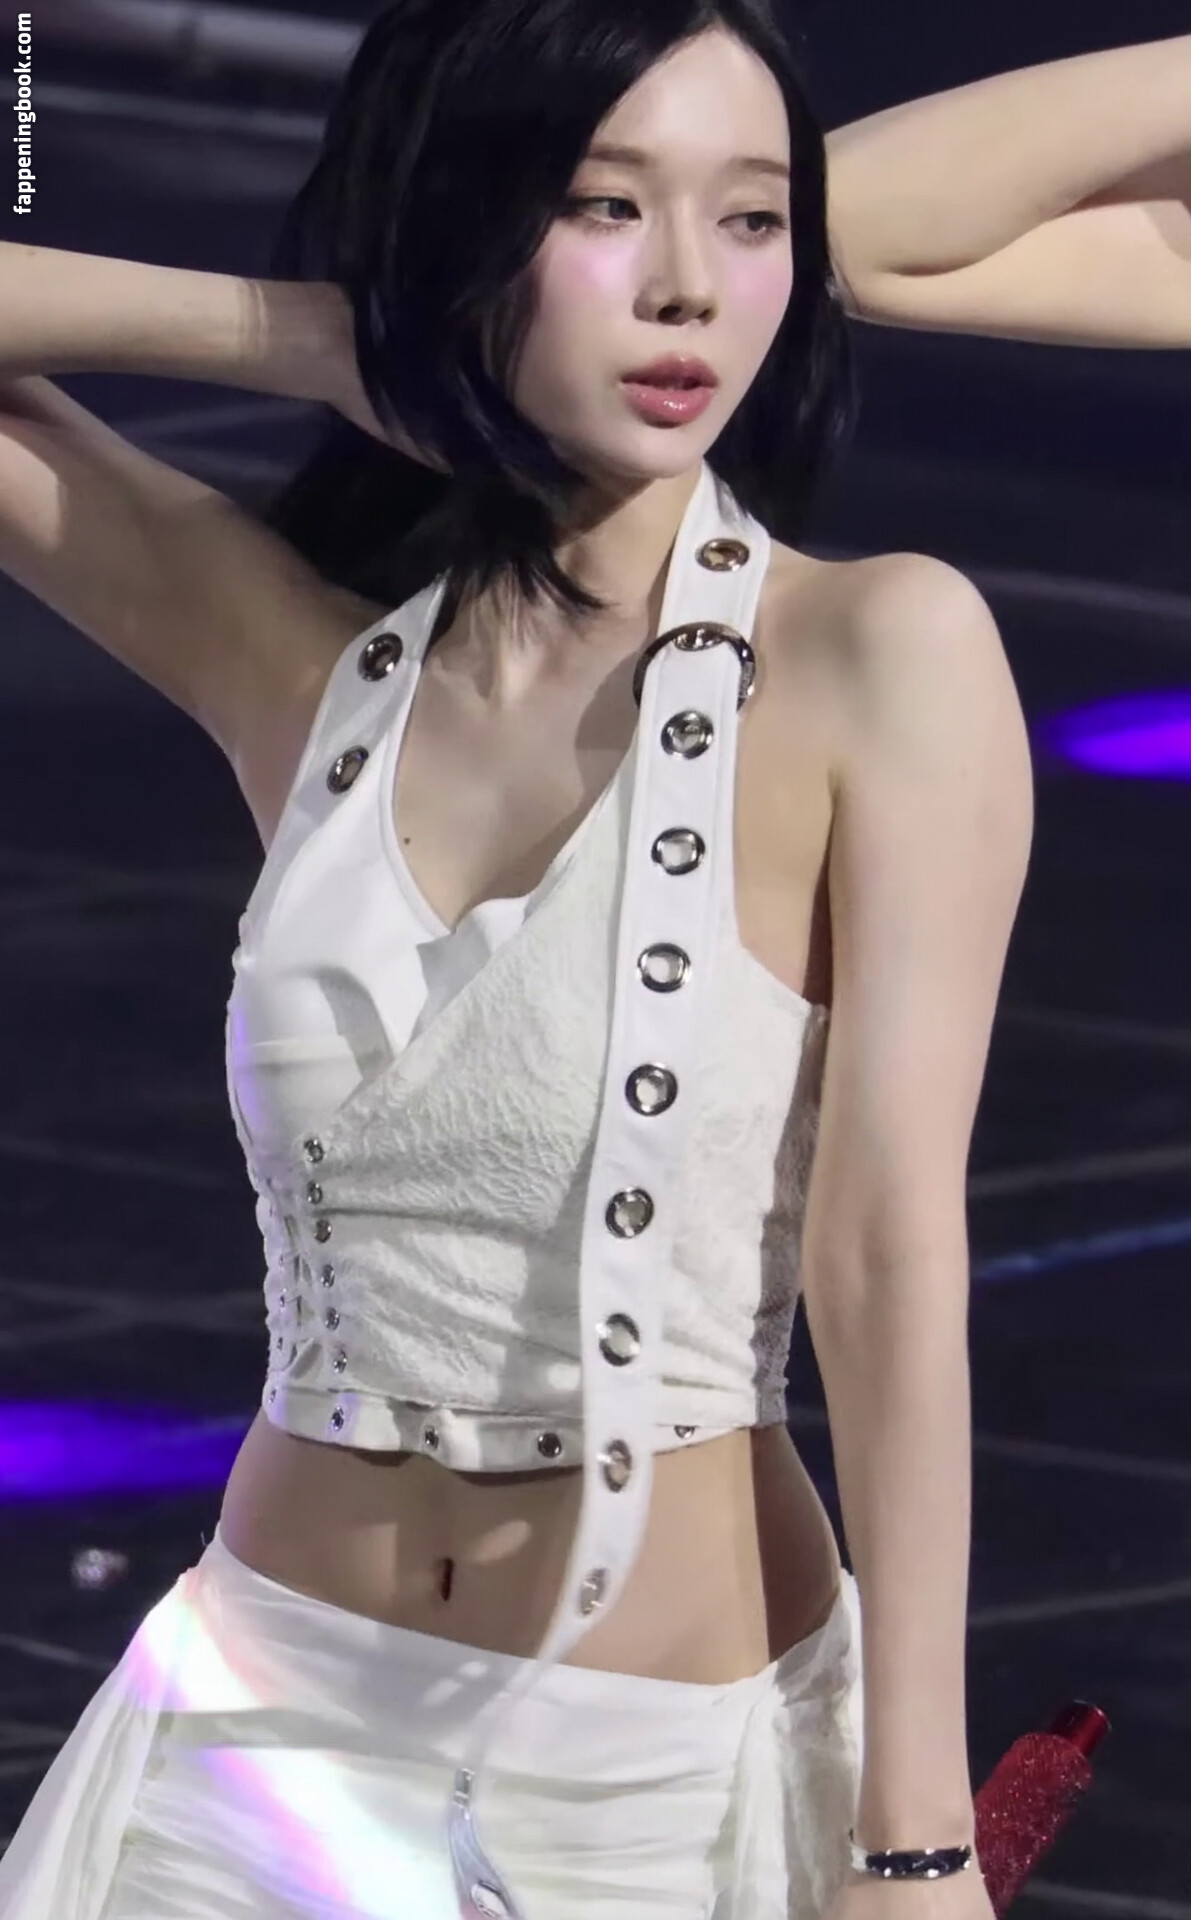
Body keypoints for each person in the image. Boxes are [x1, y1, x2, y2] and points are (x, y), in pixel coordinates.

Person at [0, 6, 1185, 1917]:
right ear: (470, 226)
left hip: (650, 1791)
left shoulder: (879, 654)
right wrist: (329, 331)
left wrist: (915, 1832)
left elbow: (887, 1256)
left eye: (751, 219)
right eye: (604, 207)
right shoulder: (304, 667)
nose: (688, 287)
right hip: (251, 1750)